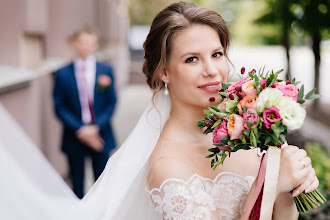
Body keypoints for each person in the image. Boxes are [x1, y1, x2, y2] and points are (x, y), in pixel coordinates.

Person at [0, 2, 320, 220]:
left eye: (217, 53)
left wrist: (286, 186)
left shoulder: (244, 130)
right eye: (191, 59)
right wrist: (268, 184)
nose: (212, 70)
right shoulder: (168, 166)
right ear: (164, 71)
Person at [53, 27, 117, 199]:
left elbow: (111, 102)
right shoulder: (62, 73)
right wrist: (81, 130)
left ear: (95, 45)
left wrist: (95, 128)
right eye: (82, 42)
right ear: (74, 43)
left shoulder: (106, 70)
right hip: (75, 135)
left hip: (100, 135)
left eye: (90, 43)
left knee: (102, 184)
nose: (86, 47)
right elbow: (59, 106)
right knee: (77, 186)